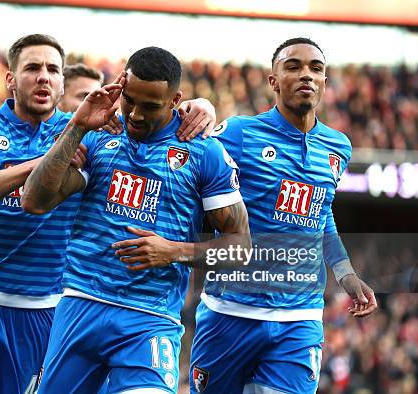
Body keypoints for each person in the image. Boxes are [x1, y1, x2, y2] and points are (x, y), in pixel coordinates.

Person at [0, 33, 217, 393]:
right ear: (11, 79)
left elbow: (150, 120)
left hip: (44, 307)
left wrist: (199, 107)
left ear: (62, 84)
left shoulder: (94, 135)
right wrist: (42, 161)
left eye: (52, 69)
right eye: (32, 68)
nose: (43, 76)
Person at [21, 47, 250, 394]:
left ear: (176, 100)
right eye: (129, 100)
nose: (136, 115)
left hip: (150, 319)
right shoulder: (99, 134)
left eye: (151, 106)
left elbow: (240, 248)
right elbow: (34, 201)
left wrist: (174, 251)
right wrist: (77, 127)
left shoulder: (204, 152)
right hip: (81, 305)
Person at [189, 37, 378, 394]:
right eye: (293, 67)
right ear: (273, 80)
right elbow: (184, 162)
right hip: (230, 310)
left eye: (315, 69)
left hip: (300, 318)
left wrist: (346, 274)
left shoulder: (338, 146)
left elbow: (320, 214)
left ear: (325, 81)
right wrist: (198, 106)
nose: (306, 75)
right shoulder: (239, 134)